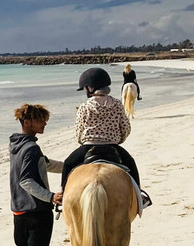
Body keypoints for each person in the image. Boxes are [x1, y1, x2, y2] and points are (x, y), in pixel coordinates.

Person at [61, 67, 151, 208]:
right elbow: (126, 128)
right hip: (112, 147)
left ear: (90, 88)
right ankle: (139, 195)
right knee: (131, 163)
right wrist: (118, 140)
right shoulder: (117, 104)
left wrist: (83, 141)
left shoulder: (84, 107)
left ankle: (62, 198)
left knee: (67, 164)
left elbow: (79, 131)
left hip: (88, 147)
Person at [8, 104, 63, 246]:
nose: (45, 123)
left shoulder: (17, 145)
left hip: (19, 210)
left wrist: (70, 166)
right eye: (40, 120)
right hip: (37, 212)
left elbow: (44, 164)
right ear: (27, 122)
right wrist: (51, 196)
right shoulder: (31, 148)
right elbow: (26, 180)